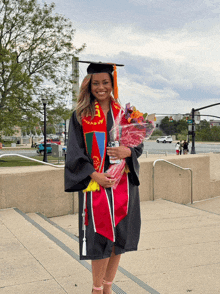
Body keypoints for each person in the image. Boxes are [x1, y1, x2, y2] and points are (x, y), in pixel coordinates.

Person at [65, 61, 143, 294]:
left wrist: (127, 152)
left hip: (123, 186)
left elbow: (137, 146)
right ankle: (96, 289)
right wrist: (94, 175)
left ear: (113, 84)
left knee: (119, 236)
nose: (101, 87)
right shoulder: (81, 115)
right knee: (99, 237)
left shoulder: (127, 114)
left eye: (105, 82)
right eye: (96, 83)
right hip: (96, 185)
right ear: (88, 86)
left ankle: (108, 287)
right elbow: (75, 152)